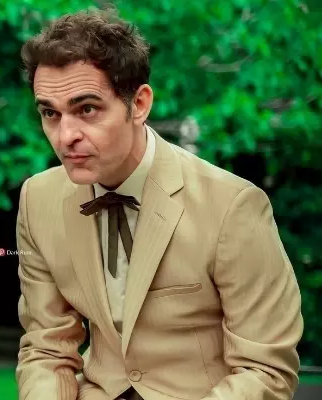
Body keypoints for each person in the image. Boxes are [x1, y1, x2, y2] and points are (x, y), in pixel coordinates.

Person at [15, 7, 303, 400]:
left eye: (87, 109)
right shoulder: (38, 199)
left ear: (139, 104)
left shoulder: (233, 207)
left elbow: (265, 370)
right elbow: (47, 350)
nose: (65, 136)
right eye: (50, 113)